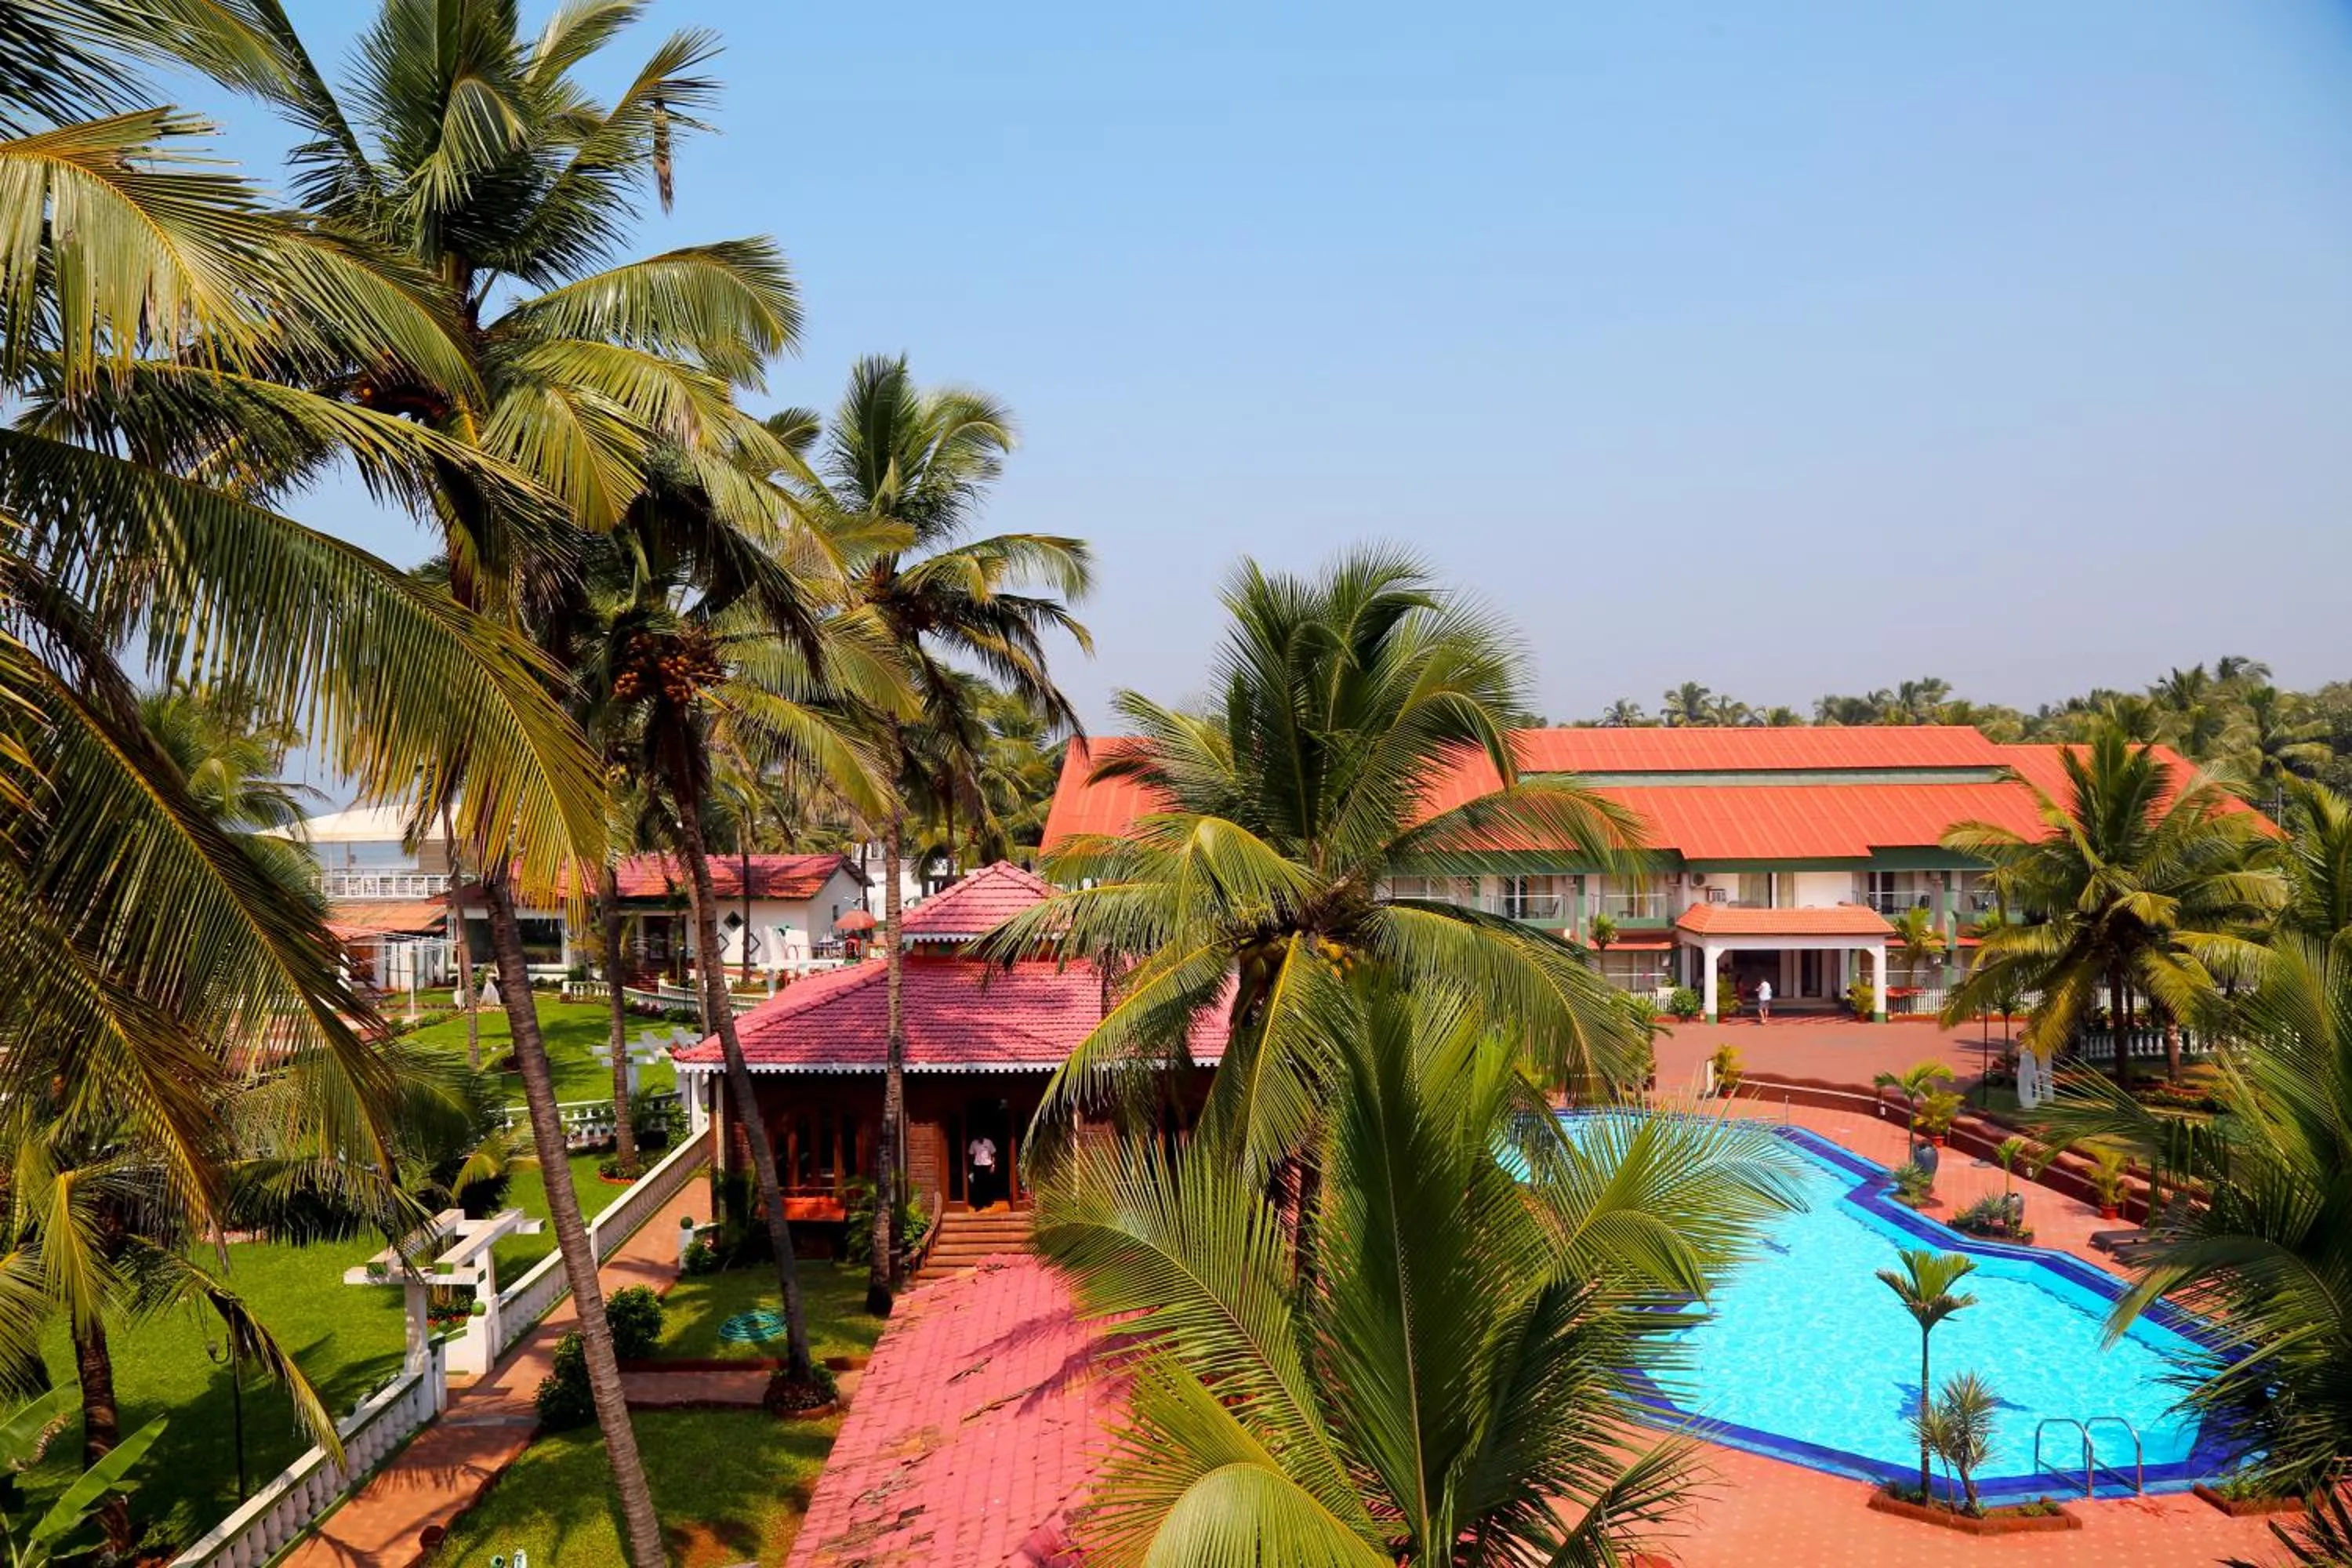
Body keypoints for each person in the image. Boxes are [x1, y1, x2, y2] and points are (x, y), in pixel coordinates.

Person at [967, 1133, 999, 1209]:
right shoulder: (974, 1143)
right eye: (978, 1137)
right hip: (978, 1166)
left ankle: (988, 1202)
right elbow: (971, 1155)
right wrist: (971, 1169)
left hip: (987, 1165)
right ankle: (979, 1204)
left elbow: (993, 1154)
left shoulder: (989, 1142)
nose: (980, 1138)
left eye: (981, 1137)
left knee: (988, 1184)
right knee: (978, 1185)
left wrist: (993, 1165)